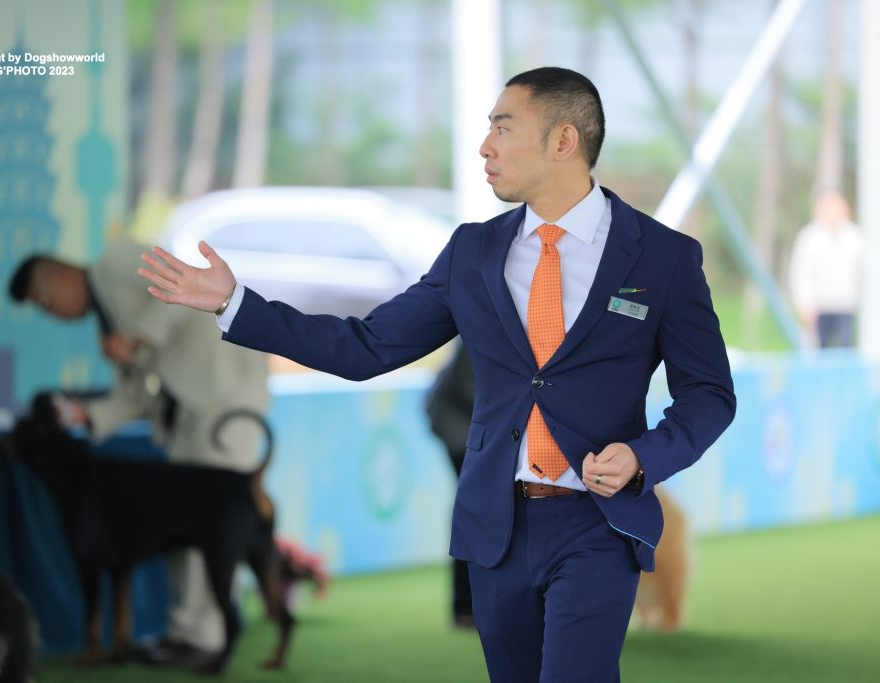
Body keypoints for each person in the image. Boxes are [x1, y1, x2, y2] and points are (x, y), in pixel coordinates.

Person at [138, 67, 736, 682]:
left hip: (598, 525)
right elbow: (367, 347)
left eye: (503, 128)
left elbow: (710, 394)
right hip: (496, 528)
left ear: (564, 141)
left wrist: (643, 456)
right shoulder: (471, 251)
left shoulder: (662, 257)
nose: (484, 146)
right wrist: (235, 303)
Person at [9, 238, 270, 665]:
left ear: (57, 277)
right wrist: (84, 415)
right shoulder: (108, 328)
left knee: (212, 523)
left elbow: (183, 288)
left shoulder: (118, 260)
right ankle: (187, 634)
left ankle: (205, 638)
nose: (50, 312)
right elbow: (134, 395)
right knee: (182, 525)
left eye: (43, 301)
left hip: (227, 396)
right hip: (185, 415)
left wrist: (137, 337)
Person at [424, 341, 476, 628]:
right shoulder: (488, 325)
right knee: (473, 512)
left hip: (466, 425)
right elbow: (470, 388)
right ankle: (465, 606)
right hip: (460, 428)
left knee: (474, 511)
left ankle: (467, 605)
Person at [788, 191, 863, 348]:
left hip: (847, 305)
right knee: (820, 349)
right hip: (819, 307)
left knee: (847, 347)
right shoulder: (809, 236)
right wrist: (804, 303)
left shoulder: (854, 236)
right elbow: (801, 273)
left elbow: (862, 271)